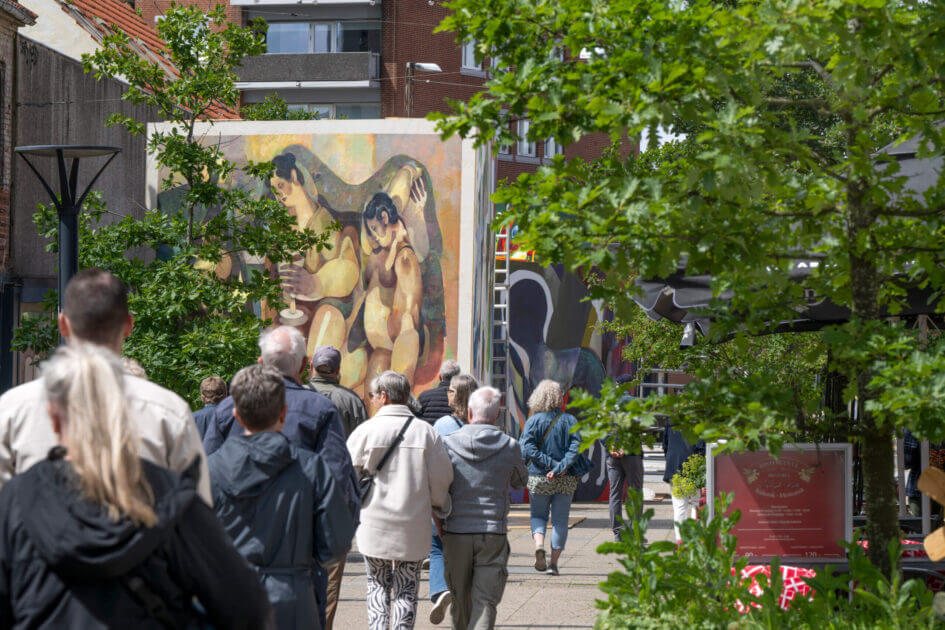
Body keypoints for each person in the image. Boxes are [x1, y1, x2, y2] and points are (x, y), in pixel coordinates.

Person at [0, 343, 271, 629]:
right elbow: (247, 608)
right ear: (127, 415)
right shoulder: (172, 496)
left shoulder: (15, 501)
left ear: (54, 419)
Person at [0, 269, 212, 504]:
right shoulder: (169, 412)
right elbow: (197, 511)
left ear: (62, 324)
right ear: (129, 324)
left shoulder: (12, 409)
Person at [203, 326, 359, 629]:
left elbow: (198, 504)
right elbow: (340, 493)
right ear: (304, 365)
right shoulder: (321, 415)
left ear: (260, 363)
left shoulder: (224, 414)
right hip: (295, 584)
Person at [347, 371, 454, 630]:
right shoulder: (426, 433)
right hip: (413, 523)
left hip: (373, 523)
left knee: (376, 583)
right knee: (407, 584)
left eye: (373, 395)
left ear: (383, 396)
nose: (372, 400)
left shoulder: (365, 432)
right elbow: (441, 479)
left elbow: (346, 477)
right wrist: (440, 508)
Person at [441, 386, 527, 630]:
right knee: (485, 601)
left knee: (460, 598)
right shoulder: (510, 446)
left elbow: (438, 484)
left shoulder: (446, 444)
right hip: (493, 532)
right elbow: (520, 481)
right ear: (498, 414)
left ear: (469, 412)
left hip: (456, 530)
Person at [306, 344, 369, 629]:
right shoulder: (352, 401)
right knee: (331, 573)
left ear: (311, 368)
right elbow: (362, 453)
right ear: (339, 371)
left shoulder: (298, 398)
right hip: (338, 499)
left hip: (300, 494)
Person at [428, 372, 479, 623]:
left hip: (446, 495)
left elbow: (434, 463)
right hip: (473, 500)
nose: (446, 394)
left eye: (450, 391)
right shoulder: (482, 426)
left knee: (437, 547)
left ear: (457, 395)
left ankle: (439, 590)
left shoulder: (442, 426)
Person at [520, 379, 582, 576]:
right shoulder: (570, 421)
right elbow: (575, 449)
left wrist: (547, 465)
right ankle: (554, 564)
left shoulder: (533, 421)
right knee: (560, 520)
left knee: (538, 515)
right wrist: (559, 467)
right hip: (566, 477)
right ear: (558, 398)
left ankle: (539, 545)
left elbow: (527, 448)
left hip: (539, 477)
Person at [606, 375, 644, 541]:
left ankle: (618, 533)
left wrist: (611, 446)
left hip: (612, 456)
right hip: (631, 454)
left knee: (615, 494)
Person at [308, 345, 369, 438]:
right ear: (337, 371)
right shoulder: (352, 401)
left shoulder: (294, 395)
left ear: (311, 367)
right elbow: (364, 439)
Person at [662, 423, 706, 541]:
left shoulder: (670, 421)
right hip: (692, 468)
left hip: (674, 468)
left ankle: (680, 540)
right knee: (696, 504)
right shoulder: (697, 422)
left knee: (679, 507)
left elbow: (665, 445)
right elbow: (701, 448)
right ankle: (694, 538)